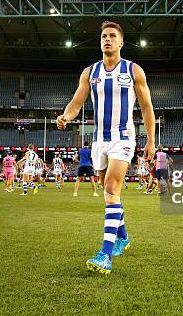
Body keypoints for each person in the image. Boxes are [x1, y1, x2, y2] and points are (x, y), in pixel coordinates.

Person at [57, 20, 155, 274]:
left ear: (121, 42)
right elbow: (76, 102)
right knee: (108, 190)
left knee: (112, 187)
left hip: (123, 138)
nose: (107, 39)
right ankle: (123, 236)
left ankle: (105, 255)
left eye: (112, 36)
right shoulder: (90, 73)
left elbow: (146, 107)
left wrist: (151, 141)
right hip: (99, 141)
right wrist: (66, 116)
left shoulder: (134, 71)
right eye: (104, 36)